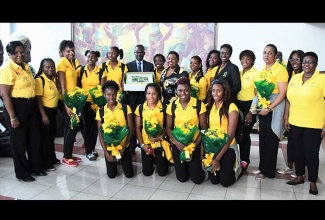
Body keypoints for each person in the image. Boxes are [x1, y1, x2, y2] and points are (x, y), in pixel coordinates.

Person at [0, 41, 46, 182]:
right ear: (9, 54)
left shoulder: (26, 67)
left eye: (21, 52)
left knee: (34, 138)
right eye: (16, 53)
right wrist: (13, 117)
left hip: (30, 105)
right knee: (19, 142)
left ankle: (35, 167)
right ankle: (22, 173)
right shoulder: (7, 70)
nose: (20, 55)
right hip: (16, 107)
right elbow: (5, 95)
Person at [285, 52, 325, 196]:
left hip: (314, 124)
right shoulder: (295, 78)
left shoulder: (322, 79)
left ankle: (313, 182)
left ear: (316, 64)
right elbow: (288, 99)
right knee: (297, 151)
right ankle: (300, 176)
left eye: (311, 62)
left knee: (311, 154)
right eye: (305, 62)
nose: (307, 64)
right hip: (295, 122)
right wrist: (285, 117)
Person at [249, 44, 288, 180]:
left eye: (270, 53)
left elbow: (282, 93)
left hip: (274, 107)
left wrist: (269, 108)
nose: (266, 55)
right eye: (264, 52)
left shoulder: (281, 70)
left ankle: (269, 172)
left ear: (275, 55)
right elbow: (258, 89)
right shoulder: (263, 70)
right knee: (263, 138)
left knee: (271, 139)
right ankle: (262, 168)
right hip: (263, 106)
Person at [166, 77, 207, 184]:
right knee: (182, 178)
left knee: (197, 180)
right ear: (176, 91)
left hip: (195, 143)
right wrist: (177, 143)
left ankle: (194, 166)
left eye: (186, 90)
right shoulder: (172, 105)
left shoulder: (199, 104)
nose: (183, 93)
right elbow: (168, 128)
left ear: (190, 90)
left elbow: (203, 129)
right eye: (180, 90)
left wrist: (192, 146)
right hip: (178, 144)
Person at [203, 79, 242, 187]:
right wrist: (204, 156)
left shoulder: (231, 107)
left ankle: (239, 167)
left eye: (218, 91)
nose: (215, 94)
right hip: (213, 146)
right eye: (213, 90)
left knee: (225, 183)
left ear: (224, 92)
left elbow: (230, 136)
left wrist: (217, 159)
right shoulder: (208, 106)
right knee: (214, 181)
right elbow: (204, 131)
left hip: (228, 146)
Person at [96, 80, 134, 178]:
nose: (111, 97)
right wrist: (106, 153)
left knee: (129, 174)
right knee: (111, 175)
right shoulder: (100, 112)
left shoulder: (125, 108)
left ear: (117, 94)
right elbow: (101, 134)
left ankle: (121, 159)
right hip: (109, 148)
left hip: (124, 146)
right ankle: (113, 159)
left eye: (113, 94)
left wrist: (123, 149)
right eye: (108, 95)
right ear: (104, 95)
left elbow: (131, 129)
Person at [134, 83, 172, 176]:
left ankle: (159, 159)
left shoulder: (164, 107)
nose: (151, 96)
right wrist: (142, 145)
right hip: (146, 143)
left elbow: (168, 127)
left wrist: (159, 138)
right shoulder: (140, 108)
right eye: (148, 93)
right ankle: (152, 159)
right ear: (145, 94)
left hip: (160, 141)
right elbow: (138, 127)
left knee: (162, 173)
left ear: (158, 94)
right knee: (147, 173)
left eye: (154, 93)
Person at [278, 49, 304, 177]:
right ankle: (290, 166)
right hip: (290, 112)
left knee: (300, 142)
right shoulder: (289, 74)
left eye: (297, 59)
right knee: (291, 140)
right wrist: (285, 116)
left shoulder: (306, 75)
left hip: (303, 114)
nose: (294, 62)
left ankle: (300, 169)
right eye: (292, 59)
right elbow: (287, 97)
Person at [57, 40, 82, 167]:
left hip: (73, 100)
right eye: (67, 51)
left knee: (70, 128)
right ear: (62, 52)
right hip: (66, 101)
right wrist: (67, 105)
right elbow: (63, 88)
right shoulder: (62, 64)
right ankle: (66, 157)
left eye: (72, 50)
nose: (71, 53)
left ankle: (69, 154)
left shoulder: (71, 63)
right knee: (73, 127)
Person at [126, 44, 154, 155]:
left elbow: (151, 84)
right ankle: (132, 146)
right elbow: (126, 82)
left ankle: (145, 144)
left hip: (145, 100)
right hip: (132, 100)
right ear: (134, 53)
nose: (138, 54)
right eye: (136, 52)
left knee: (145, 123)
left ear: (144, 53)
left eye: (140, 52)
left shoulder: (150, 66)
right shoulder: (128, 66)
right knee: (132, 125)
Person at [77, 50, 103, 161]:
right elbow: (77, 86)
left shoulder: (101, 71)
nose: (90, 59)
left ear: (97, 59)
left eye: (93, 57)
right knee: (87, 126)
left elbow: (102, 88)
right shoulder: (81, 70)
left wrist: (100, 103)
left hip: (96, 103)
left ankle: (92, 149)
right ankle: (88, 151)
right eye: (88, 57)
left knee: (95, 128)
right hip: (84, 103)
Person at [235, 50, 259, 170]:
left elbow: (257, 95)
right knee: (238, 132)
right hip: (238, 105)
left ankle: (245, 159)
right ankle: (237, 157)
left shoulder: (256, 73)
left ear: (252, 60)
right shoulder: (239, 72)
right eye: (243, 58)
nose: (245, 61)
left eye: (248, 59)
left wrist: (251, 111)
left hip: (249, 106)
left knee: (244, 133)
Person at [35, 58, 60, 171]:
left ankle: (52, 158)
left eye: (52, 67)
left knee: (51, 137)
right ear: (42, 68)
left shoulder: (53, 79)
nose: (50, 69)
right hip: (44, 112)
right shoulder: (40, 80)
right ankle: (46, 163)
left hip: (53, 112)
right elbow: (38, 99)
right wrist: (44, 115)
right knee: (45, 139)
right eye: (47, 67)